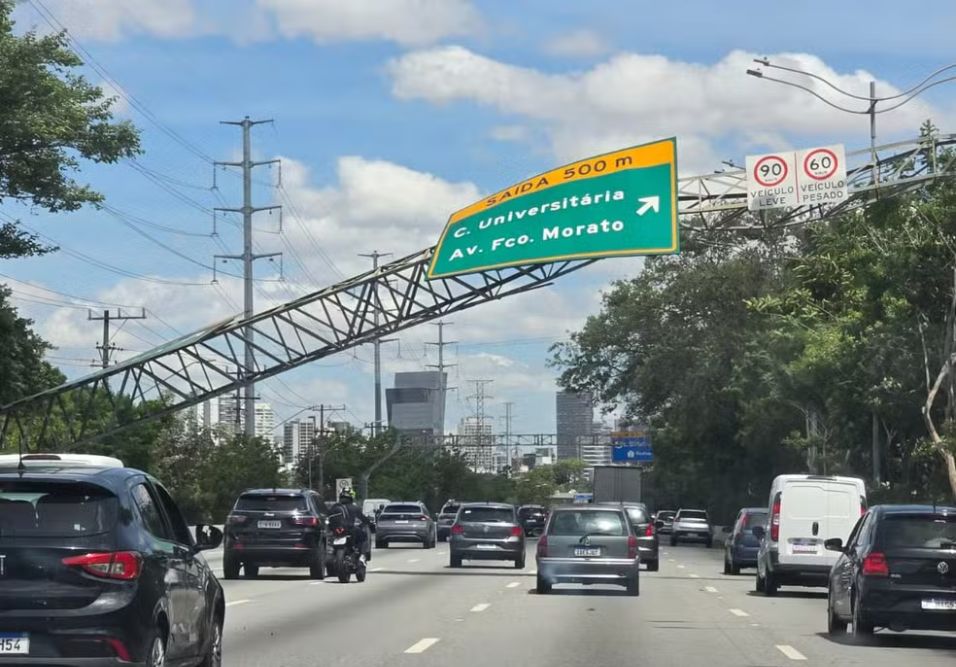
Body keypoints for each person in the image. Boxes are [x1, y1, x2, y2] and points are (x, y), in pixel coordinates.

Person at [329, 488, 370, 559]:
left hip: (336, 531)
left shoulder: (334, 507)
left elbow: (328, 517)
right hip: (350, 530)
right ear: (351, 497)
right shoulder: (355, 508)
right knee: (364, 536)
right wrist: (368, 521)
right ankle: (362, 556)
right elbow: (363, 519)